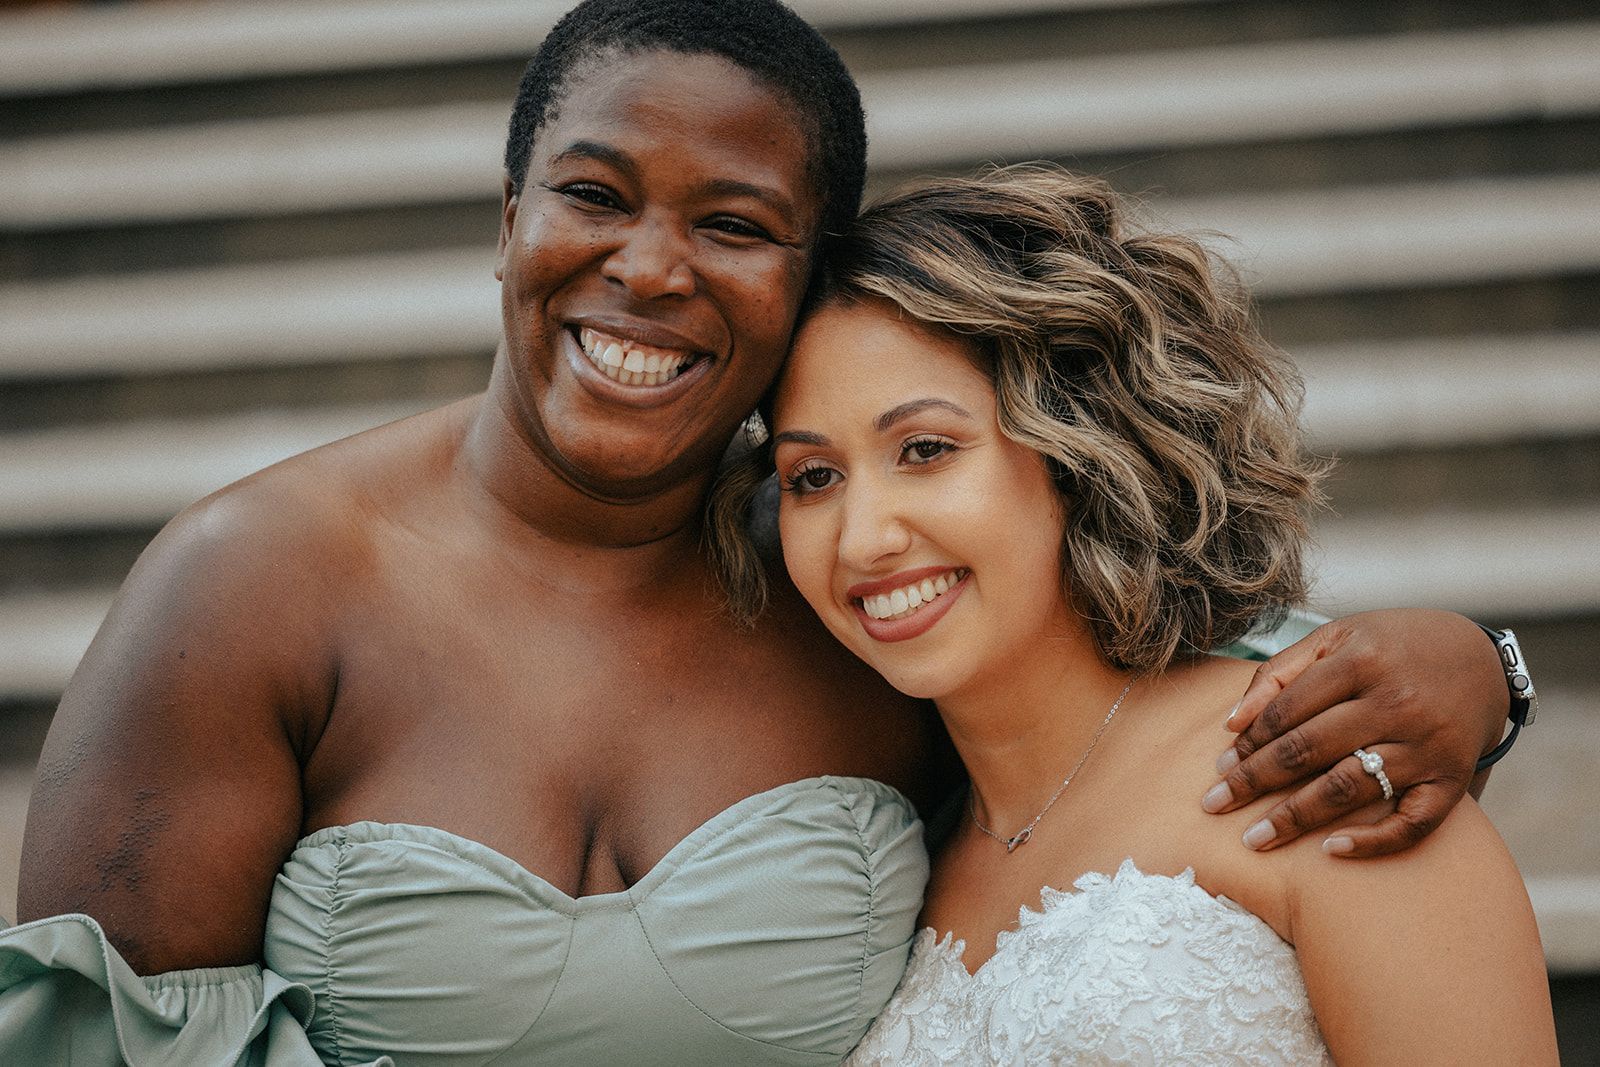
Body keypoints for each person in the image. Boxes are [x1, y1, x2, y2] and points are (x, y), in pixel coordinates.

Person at [0, 2, 1531, 1064]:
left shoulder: (846, 610)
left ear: (800, 278)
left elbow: (1128, 696)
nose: (649, 267)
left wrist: (1480, 665)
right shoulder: (252, 583)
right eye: (591, 192)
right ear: (509, 220)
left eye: (731, 223)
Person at [735, 164, 1559, 1064]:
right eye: (813, 477)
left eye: (925, 449)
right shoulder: (891, 855)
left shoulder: (1329, 762)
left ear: (1076, 448)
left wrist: (1490, 665)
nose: (862, 539)